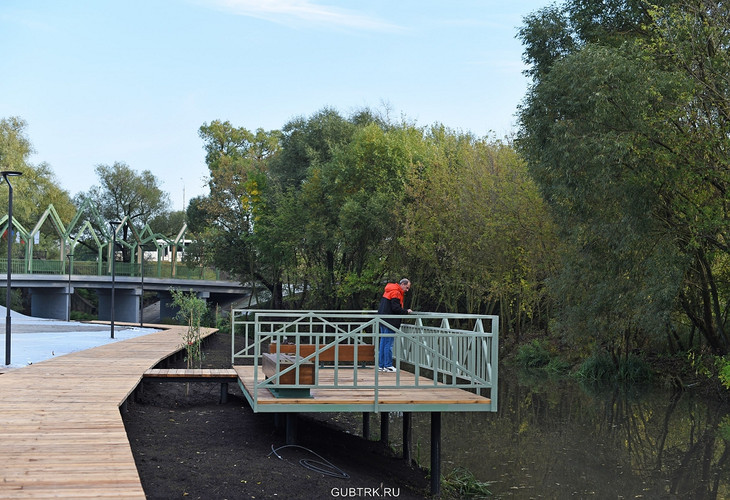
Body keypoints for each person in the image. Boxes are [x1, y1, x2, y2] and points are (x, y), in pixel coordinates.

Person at [377, 278, 412, 372]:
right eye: (407, 287)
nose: (407, 290)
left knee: (383, 343)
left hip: (382, 320)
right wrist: (406, 311)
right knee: (388, 343)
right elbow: (395, 308)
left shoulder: (389, 289)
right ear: (403, 284)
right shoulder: (396, 292)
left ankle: (381, 366)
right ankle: (388, 365)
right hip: (390, 321)